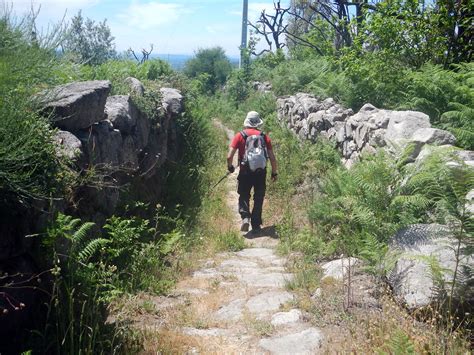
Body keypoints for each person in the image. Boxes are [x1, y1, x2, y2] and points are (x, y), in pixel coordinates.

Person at [227, 111, 278, 232]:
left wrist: (230, 167)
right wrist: (274, 172)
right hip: (261, 172)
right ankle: (256, 223)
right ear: (258, 123)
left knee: (244, 194)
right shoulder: (264, 136)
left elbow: (229, 156)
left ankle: (245, 217)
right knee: (259, 197)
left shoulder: (240, 135)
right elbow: (272, 158)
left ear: (247, 121)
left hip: (245, 171)